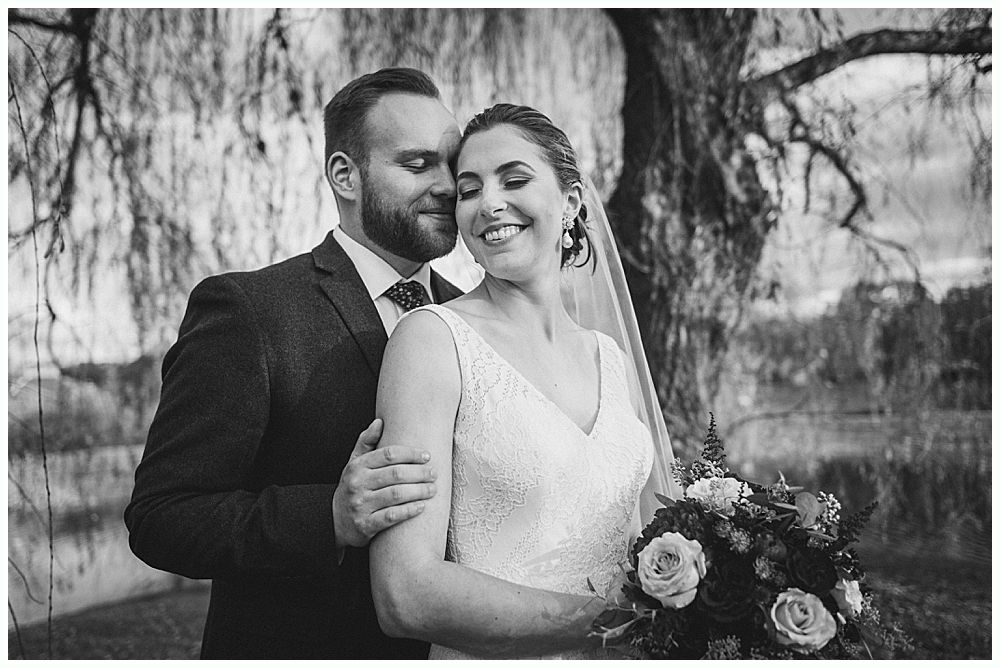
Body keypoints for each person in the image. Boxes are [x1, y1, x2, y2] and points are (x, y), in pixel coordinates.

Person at [124, 67, 464, 659]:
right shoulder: (249, 311)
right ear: (345, 175)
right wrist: (328, 516)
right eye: (417, 165)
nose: (448, 186)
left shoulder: (471, 319)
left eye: (452, 165)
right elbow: (162, 517)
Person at [369, 104, 678, 659]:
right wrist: (612, 623)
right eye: (468, 190)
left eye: (514, 180)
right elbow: (405, 594)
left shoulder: (611, 358)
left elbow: (647, 543)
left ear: (571, 203)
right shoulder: (432, 341)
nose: (489, 203)